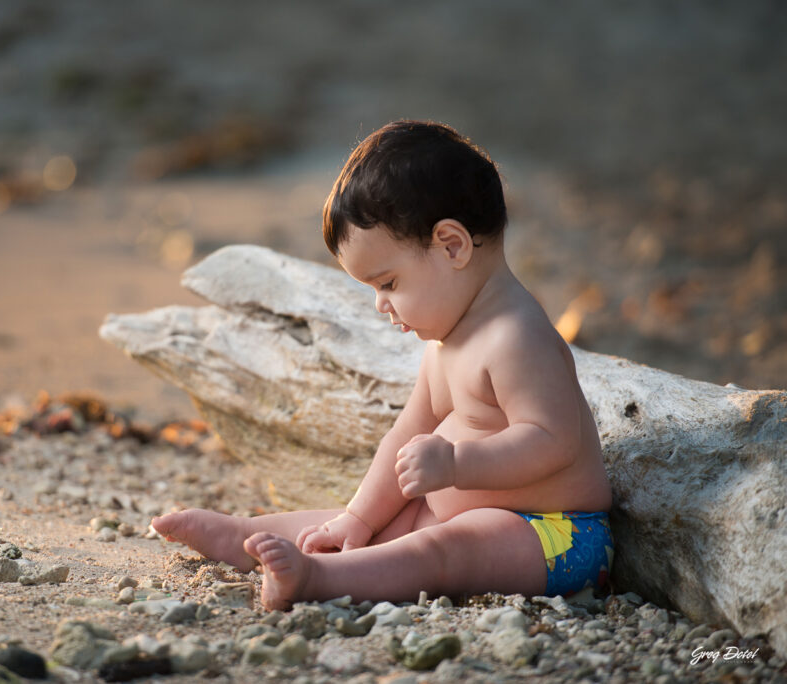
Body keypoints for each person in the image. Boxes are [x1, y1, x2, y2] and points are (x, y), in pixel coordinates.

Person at [152, 120, 613, 611]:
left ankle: (314, 579)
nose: (380, 305)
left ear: (452, 245)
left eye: (388, 284)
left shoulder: (516, 337)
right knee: (372, 528)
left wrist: (456, 464)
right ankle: (245, 536)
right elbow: (403, 435)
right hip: (467, 516)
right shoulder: (448, 344)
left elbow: (554, 441)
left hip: (555, 535)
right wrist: (358, 517)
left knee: (439, 550)